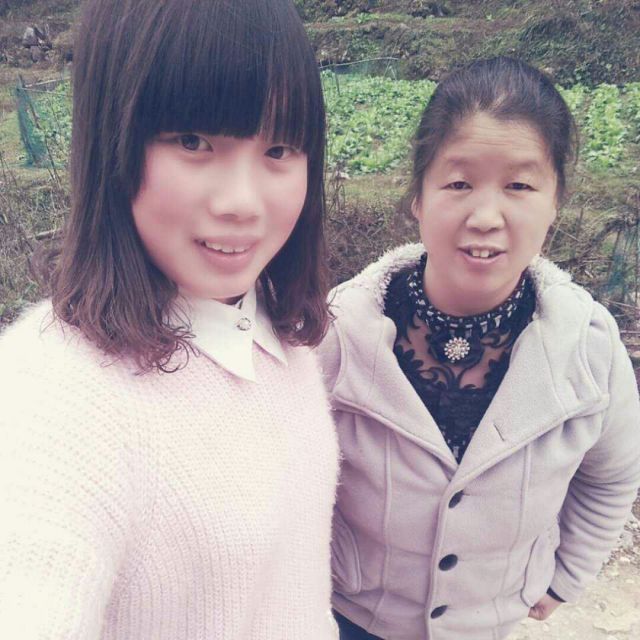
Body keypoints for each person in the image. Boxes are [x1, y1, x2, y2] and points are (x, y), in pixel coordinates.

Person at [0, 1, 339, 638]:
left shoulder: (278, 338)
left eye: (279, 149)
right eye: (193, 142)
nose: (242, 203)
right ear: (111, 142)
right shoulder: (51, 394)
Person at [317, 57, 640, 640]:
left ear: (556, 201)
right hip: (348, 618)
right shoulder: (338, 333)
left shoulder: (589, 347)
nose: (486, 217)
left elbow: (611, 476)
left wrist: (565, 576)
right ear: (418, 197)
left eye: (519, 186)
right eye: (459, 184)